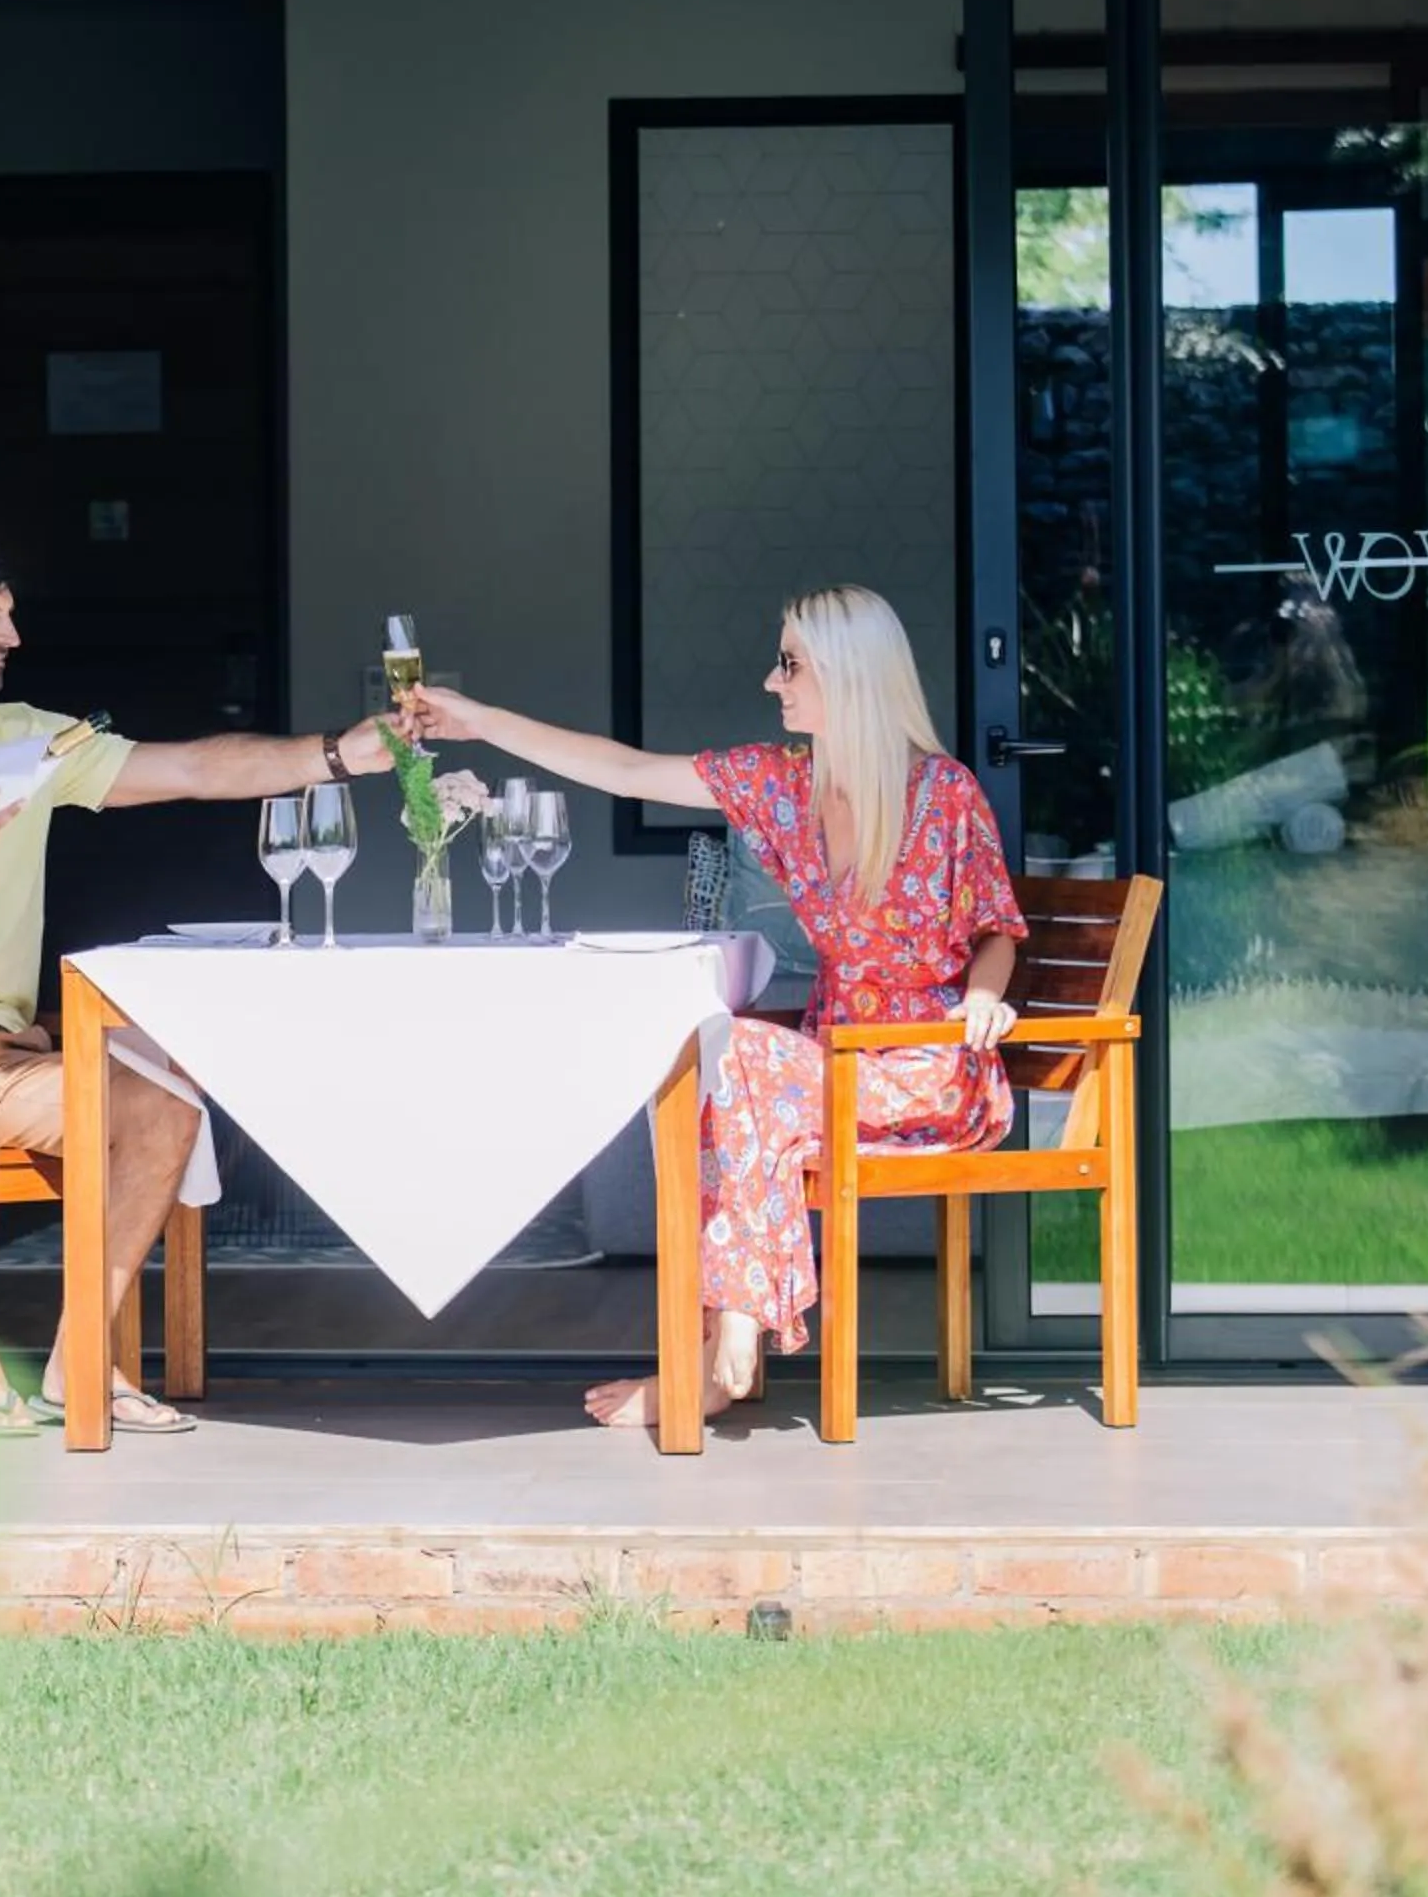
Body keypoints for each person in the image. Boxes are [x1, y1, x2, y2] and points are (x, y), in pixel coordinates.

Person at [0, 535, 393, 1434]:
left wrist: (339, 755)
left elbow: (192, 768)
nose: (11, 634)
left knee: (167, 1106)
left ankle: (79, 1358)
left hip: (6, 1054)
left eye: (10, 614)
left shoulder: (31, 740)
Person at [403, 585, 1026, 1427]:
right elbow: (623, 768)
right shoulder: (781, 785)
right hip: (829, 1066)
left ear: (847, 676)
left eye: (791, 664)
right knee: (723, 1058)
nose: (774, 682)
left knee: (742, 1059)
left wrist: (986, 994)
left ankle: (720, 1355)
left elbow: (997, 928)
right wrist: (482, 720)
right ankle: (726, 1340)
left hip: (926, 1071)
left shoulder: (943, 795)